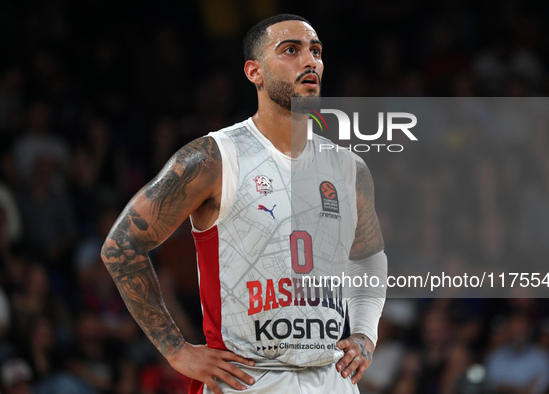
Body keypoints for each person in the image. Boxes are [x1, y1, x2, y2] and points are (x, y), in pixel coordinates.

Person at [101, 14, 387, 394]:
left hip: (331, 377)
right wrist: (176, 350)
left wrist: (366, 332)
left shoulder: (350, 167)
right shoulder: (213, 157)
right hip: (248, 379)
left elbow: (368, 255)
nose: (309, 61)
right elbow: (121, 246)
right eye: (290, 50)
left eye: (315, 51)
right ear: (255, 71)